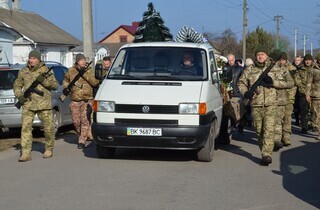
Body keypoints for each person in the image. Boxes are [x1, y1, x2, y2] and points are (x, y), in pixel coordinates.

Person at [238, 46, 292, 166]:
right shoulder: (250, 69)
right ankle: (264, 149)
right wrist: (245, 92)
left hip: (271, 104)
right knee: (259, 130)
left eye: (262, 54)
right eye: (258, 54)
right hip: (256, 104)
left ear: (267, 55)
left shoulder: (276, 68)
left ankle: (266, 155)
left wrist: (273, 83)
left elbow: (290, 83)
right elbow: (241, 82)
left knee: (269, 129)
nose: (260, 56)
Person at [13, 50, 59, 162]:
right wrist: (20, 96)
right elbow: (17, 85)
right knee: (25, 129)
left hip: (44, 104)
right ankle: (25, 153)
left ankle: (48, 148)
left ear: (38, 59)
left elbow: (55, 85)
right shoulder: (23, 71)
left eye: (34, 58)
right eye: (30, 58)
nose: (31, 60)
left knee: (49, 128)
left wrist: (44, 81)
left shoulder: (46, 70)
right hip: (28, 104)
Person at [62, 53, 100, 149]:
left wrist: (85, 74)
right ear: (77, 61)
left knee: (85, 120)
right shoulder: (71, 70)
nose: (83, 61)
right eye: (81, 60)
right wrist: (65, 88)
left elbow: (95, 82)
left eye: (84, 60)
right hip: (74, 100)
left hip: (87, 100)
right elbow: (65, 81)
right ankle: (83, 134)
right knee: (76, 121)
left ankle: (82, 141)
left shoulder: (89, 70)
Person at [272, 52, 295, 149]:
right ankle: (277, 139)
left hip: (289, 97)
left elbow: (293, 84)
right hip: (277, 98)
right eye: (280, 60)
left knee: (287, 118)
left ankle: (286, 136)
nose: (282, 61)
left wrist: (292, 97)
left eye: (283, 60)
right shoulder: (273, 69)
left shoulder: (290, 70)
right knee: (278, 119)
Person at [294, 54, 314, 134]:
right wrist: (304, 86)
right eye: (306, 60)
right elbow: (297, 80)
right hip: (303, 92)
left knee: (314, 110)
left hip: (314, 92)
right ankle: (304, 127)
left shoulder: (315, 69)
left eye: (309, 60)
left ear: (312, 61)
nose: (307, 61)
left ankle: (313, 124)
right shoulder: (300, 69)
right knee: (304, 111)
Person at [306, 52, 320, 140]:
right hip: (316, 95)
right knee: (317, 115)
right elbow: (309, 83)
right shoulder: (313, 70)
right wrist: (307, 94)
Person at [292, 56, 303, 126]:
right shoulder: (292, 68)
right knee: (295, 106)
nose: (297, 61)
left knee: (302, 107)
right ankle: (297, 120)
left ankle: (302, 121)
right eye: (296, 60)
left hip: (301, 89)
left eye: (298, 60)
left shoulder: (303, 68)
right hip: (293, 89)